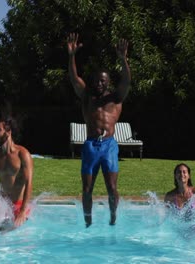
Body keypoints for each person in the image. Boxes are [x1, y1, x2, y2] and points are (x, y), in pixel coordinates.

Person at [67, 33, 131, 227]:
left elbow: (127, 81)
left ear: (108, 82)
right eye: (96, 80)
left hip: (109, 146)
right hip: (90, 146)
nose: (99, 83)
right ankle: (88, 222)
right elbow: (73, 78)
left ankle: (113, 218)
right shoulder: (87, 97)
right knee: (87, 188)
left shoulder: (116, 98)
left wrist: (123, 60)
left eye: (103, 81)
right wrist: (71, 56)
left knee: (112, 187)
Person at [0, 116, 33, 230]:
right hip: (2, 204)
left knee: (12, 232)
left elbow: (29, 183)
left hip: (19, 204)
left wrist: (23, 211)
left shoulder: (23, 154)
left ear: (8, 132)